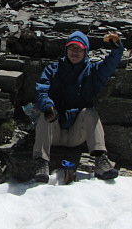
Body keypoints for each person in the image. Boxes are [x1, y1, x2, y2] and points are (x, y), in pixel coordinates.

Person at [33, 30, 124, 182]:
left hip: (77, 133)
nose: (75, 52)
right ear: (66, 50)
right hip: (54, 131)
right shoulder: (52, 70)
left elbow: (109, 66)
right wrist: (47, 105)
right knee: (45, 114)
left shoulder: (92, 72)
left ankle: (101, 160)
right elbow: (41, 90)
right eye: (71, 48)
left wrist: (117, 48)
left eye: (79, 49)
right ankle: (41, 163)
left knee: (90, 112)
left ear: (85, 51)